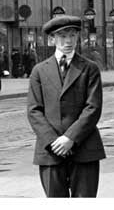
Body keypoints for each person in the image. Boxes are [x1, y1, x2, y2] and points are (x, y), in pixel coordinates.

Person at [27, 15, 105, 198]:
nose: (68, 41)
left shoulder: (89, 69)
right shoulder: (39, 71)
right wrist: (54, 142)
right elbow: (34, 110)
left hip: (84, 149)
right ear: (52, 39)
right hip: (50, 152)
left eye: (72, 35)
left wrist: (70, 138)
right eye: (62, 36)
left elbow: (93, 108)